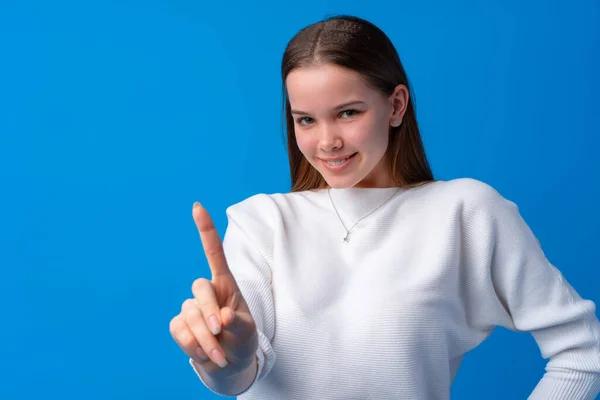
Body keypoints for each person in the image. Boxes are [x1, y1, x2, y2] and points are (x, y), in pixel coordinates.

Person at [169, 15, 600, 399]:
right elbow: (236, 381)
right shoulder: (261, 221)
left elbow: (583, 350)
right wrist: (231, 357)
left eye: (348, 113)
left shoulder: (465, 213)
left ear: (395, 105)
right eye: (306, 119)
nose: (326, 141)